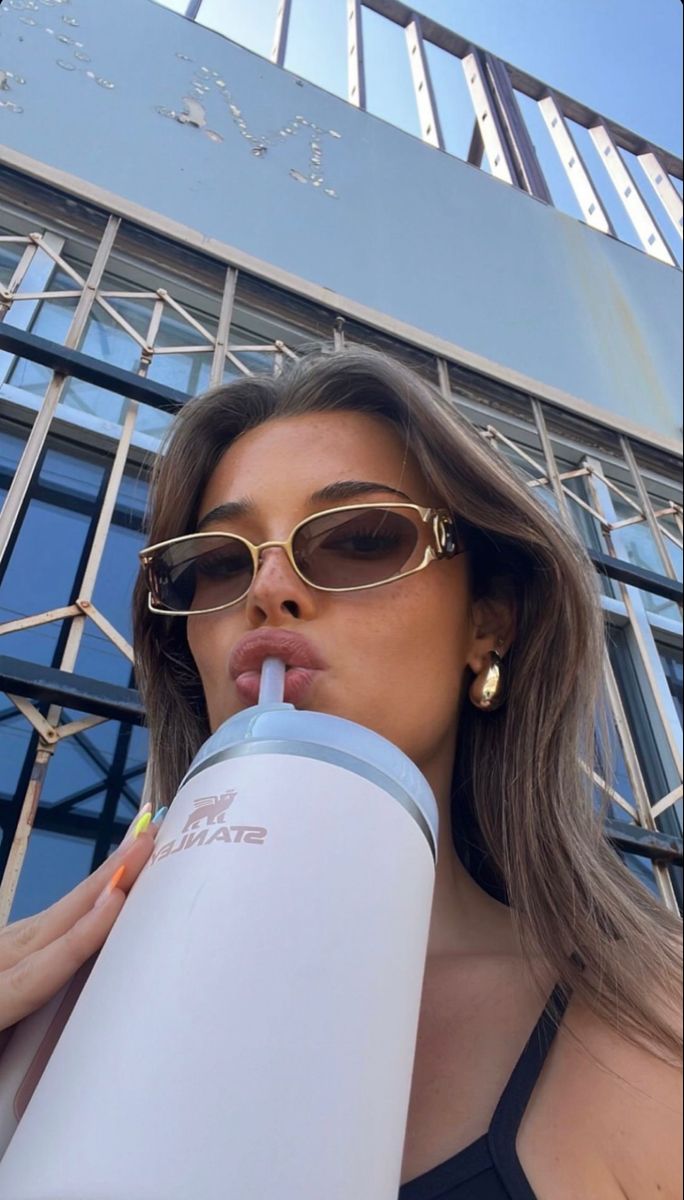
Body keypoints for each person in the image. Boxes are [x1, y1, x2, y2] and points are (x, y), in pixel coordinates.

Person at [1, 348, 681, 1197]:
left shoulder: (652, 1031)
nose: (269, 588)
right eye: (219, 561)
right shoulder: (46, 1010)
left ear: (489, 626)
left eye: (359, 540)